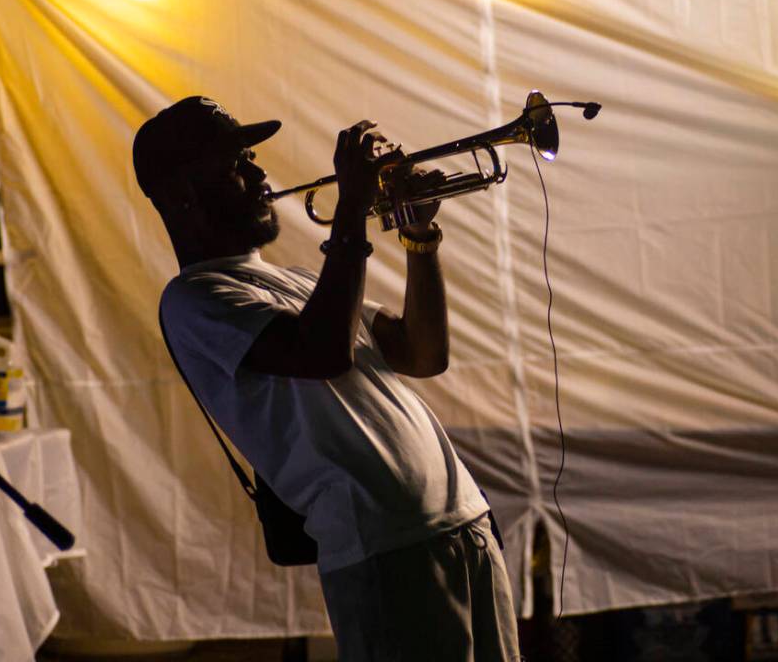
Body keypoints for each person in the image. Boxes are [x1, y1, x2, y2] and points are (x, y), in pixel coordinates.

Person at [133, 95, 521, 662]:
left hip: (463, 523)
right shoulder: (194, 300)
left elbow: (422, 353)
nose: (259, 173)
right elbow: (322, 352)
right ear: (183, 194)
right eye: (235, 166)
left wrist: (419, 237)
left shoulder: (297, 280)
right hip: (385, 551)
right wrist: (353, 208)